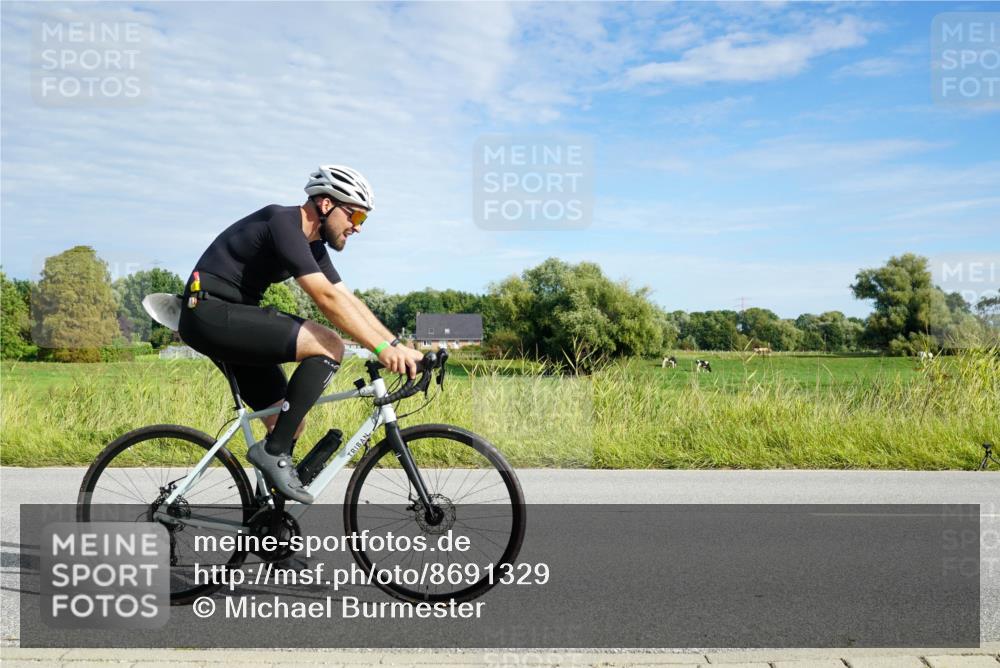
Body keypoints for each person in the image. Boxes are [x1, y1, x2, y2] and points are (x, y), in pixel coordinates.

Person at [178, 165, 424, 504]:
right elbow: (325, 299)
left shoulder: (314, 247)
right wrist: (381, 349)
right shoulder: (283, 223)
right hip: (207, 311)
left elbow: (347, 299)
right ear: (326, 205)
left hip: (232, 317)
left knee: (288, 422)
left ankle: (271, 530)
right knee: (328, 343)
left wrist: (395, 345)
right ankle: (273, 453)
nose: (357, 228)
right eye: (356, 217)